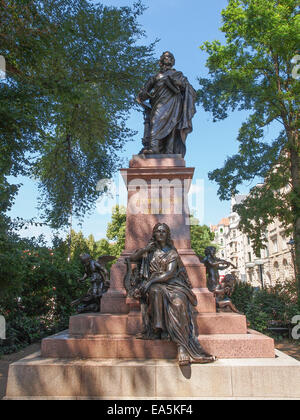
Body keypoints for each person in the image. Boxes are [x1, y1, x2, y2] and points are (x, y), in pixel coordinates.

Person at [126, 223, 216, 366]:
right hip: (156, 285)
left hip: (173, 283)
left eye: (163, 231)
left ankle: (182, 347)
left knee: (179, 302)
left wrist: (149, 282)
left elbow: (169, 273)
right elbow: (132, 259)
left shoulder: (172, 252)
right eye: (158, 231)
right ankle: (158, 328)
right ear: (154, 234)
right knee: (155, 291)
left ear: (167, 235)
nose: (161, 234)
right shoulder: (149, 251)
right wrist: (145, 249)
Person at [137, 51, 196, 157]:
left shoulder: (178, 75)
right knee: (155, 122)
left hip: (174, 103)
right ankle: (153, 148)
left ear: (172, 60)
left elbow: (188, 88)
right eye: (165, 57)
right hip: (158, 104)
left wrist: (180, 84)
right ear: (161, 60)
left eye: (169, 57)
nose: (167, 58)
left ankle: (169, 151)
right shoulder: (155, 77)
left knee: (172, 125)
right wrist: (141, 95)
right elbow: (144, 92)